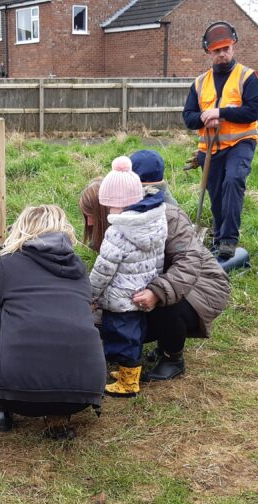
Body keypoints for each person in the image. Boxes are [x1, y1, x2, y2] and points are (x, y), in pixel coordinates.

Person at [0, 205, 106, 440]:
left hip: (15, 394)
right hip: (81, 393)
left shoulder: (7, 264)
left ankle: (0, 407)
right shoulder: (78, 268)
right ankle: (58, 418)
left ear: (22, 229)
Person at [79, 179, 229, 383]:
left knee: (164, 303)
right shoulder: (117, 230)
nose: (88, 223)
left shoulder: (166, 215)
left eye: (91, 215)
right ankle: (159, 341)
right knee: (117, 321)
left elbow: (189, 262)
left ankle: (173, 358)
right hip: (158, 282)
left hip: (202, 285)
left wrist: (156, 292)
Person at [89, 157, 167, 398]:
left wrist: (90, 294)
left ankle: (128, 383)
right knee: (135, 335)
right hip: (142, 291)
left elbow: (104, 270)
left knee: (123, 339)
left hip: (120, 297)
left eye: (110, 205)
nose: (109, 210)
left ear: (118, 203)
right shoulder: (156, 221)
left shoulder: (118, 232)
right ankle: (127, 373)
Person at [182, 21, 258, 261]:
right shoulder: (199, 83)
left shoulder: (247, 77)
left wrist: (221, 112)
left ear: (233, 47)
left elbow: (251, 112)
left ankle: (228, 240)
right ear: (209, 52)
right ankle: (217, 238)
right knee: (215, 192)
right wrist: (205, 117)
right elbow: (188, 117)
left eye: (226, 48)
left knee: (233, 181)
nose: (222, 54)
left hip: (240, 143)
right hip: (210, 147)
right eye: (217, 51)